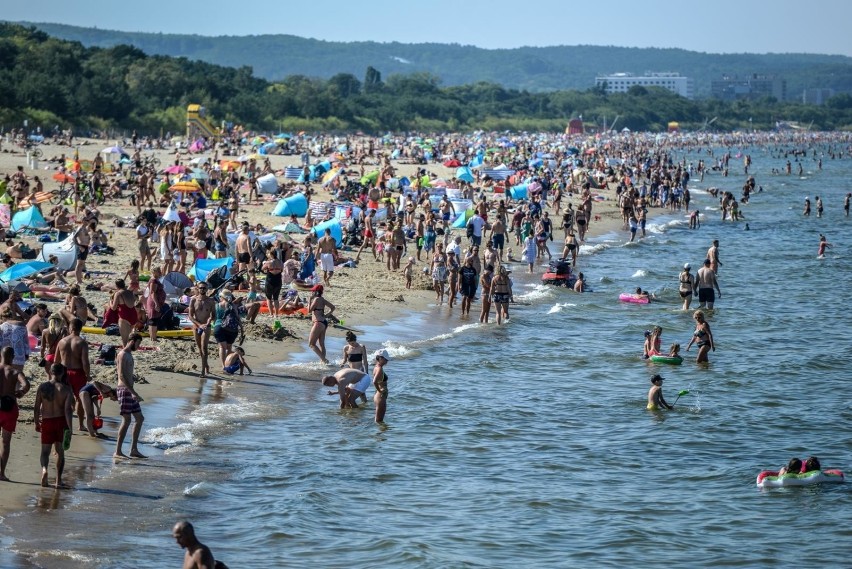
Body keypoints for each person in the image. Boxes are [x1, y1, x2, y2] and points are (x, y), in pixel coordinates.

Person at [34, 362, 74, 488]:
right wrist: (70, 427)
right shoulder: (66, 389)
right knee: (60, 452)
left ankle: (44, 470)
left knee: (45, 452)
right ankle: (58, 480)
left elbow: (36, 407)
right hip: (60, 422)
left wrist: (36, 422)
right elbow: (68, 410)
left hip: (47, 421)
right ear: (62, 373)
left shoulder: (42, 387)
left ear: (50, 372)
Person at [54, 318, 90, 432]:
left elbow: (56, 361)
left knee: (64, 399)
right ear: (80, 328)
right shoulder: (82, 342)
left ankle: (65, 425)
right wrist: (88, 374)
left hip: (64, 372)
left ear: (71, 328)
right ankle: (80, 425)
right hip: (78, 373)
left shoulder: (62, 341)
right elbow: (85, 362)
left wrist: (55, 376)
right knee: (80, 399)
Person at [0, 346, 30, 481]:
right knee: (5, 443)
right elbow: (26, 385)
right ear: (12, 357)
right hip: (9, 408)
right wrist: (21, 393)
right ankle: (1, 474)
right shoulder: (15, 371)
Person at [114, 333, 146, 459]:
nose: (139, 346)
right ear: (132, 341)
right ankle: (117, 451)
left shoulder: (128, 354)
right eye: (138, 343)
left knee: (140, 418)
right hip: (124, 390)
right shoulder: (122, 354)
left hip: (130, 390)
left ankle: (133, 449)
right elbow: (121, 375)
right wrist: (133, 393)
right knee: (126, 420)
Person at [188, 283, 215, 378]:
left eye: (204, 288)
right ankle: (206, 364)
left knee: (204, 348)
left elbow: (214, 315)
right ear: (198, 289)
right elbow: (190, 316)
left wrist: (209, 320)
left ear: (207, 289)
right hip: (196, 326)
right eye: (201, 288)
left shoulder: (211, 301)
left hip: (206, 327)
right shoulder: (193, 300)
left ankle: (203, 370)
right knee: (199, 349)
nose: (202, 290)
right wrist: (199, 325)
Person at [212, 291, 243, 371]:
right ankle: (228, 365)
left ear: (222, 297)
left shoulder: (216, 306)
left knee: (222, 347)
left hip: (219, 327)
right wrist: (242, 329)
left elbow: (213, 318)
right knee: (229, 348)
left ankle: (223, 366)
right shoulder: (232, 306)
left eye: (220, 296)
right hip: (232, 329)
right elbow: (237, 317)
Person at [308, 284, 335, 364]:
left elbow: (309, 310)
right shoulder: (322, 299)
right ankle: (323, 362)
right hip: (323, 322)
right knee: (321, 344)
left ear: (316, 292)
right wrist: (327, 315)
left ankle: (324, 360)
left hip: (318, 323)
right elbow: (333, 307)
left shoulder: (316, 299)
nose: (312, 292)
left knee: (311, 344)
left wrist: (309, 300)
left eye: (313, 291)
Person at [111, 279, 138, 346]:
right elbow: (136, 300)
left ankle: (125, 352)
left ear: (117, 286)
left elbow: (113, 308)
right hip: (133, 315)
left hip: (124, 316)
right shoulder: (130, 292)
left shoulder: (118, 293)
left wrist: (110, 303)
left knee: (124, 340)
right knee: (129, 337)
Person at [372, 349, 391, 423]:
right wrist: (380, 391)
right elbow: (374, 381)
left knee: (379, 420)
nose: (387, 361)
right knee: (379, 421)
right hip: (380, 395)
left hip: (379, 394)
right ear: (380, 358)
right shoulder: (379, 369)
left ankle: (379, 433)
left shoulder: (377, 367)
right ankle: (379, 434)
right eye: (386, 359)